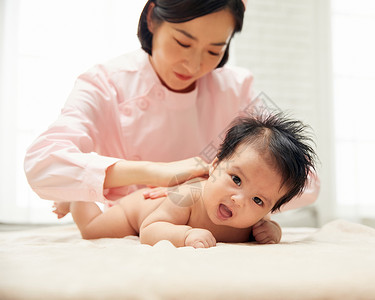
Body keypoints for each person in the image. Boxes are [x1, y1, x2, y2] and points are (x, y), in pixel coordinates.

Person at [24, 0, 320, 216]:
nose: (193, 65)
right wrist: (157, 173)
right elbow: (42, 164)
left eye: (214, 51)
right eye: (182, 42)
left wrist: (201, 187)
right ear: (153, 18)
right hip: (132, 226)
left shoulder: (237, 86)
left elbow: (306, 182)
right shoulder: (105, 83)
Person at [56, 114, 317, 248]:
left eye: (258, 200)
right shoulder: (190, 195)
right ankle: (77, 196)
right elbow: (149, 229)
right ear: (215, 167)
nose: (239, 199)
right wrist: (185, 235)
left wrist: (273, 232)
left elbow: (268, 225)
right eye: (236, 179)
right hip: (137, 212)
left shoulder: (256, 218)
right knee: (93, 230)